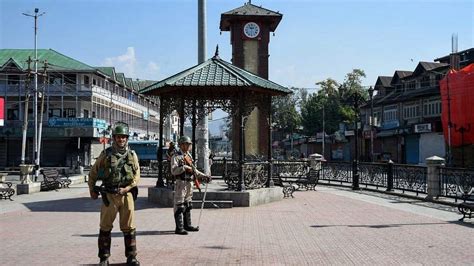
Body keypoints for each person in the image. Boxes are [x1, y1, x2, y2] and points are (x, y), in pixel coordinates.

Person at [88, 122, 140, 265]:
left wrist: (128, 188)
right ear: (114, 138)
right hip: (109, 195)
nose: (121, 140)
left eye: (123, 137)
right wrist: (92, 189)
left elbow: (137, 176)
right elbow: (93, 173)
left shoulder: (132, 155)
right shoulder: (106, 154)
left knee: (129, 227)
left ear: (127, 138)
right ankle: (104, 258)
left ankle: (131, 256)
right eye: (118, 137)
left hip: (126, 194)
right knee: (105, 226)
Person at [171, 136, 211, 235]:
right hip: (181, 183)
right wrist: (184, 168)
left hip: (189, 183)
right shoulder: (176, 156)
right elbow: (173, 170)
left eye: (189, 144)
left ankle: (187, 225)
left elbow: (194, 170)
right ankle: (179, 228)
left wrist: (204, 176)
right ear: (181, 145)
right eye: (187, 144)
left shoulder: (189, 156)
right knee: (179, 205)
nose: (188, 146)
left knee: (188, 205)